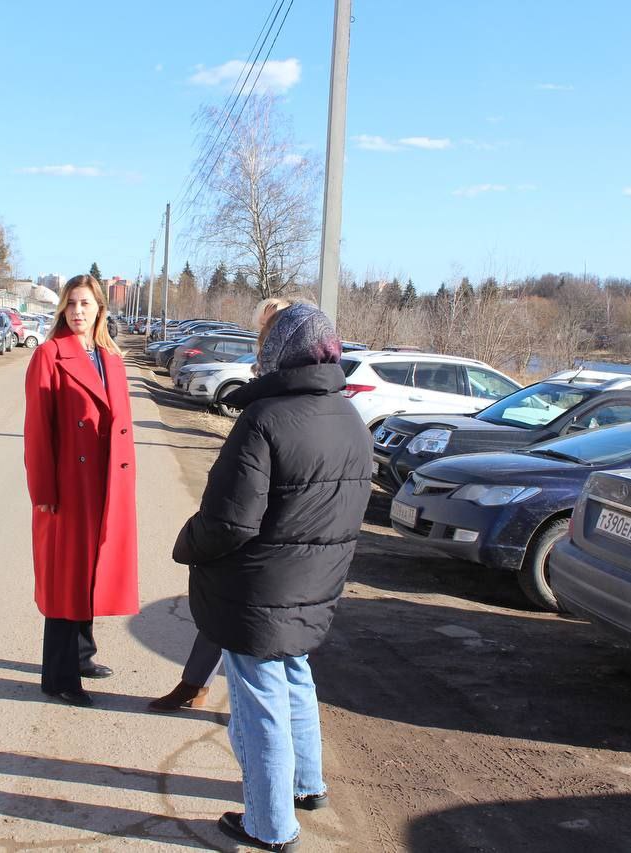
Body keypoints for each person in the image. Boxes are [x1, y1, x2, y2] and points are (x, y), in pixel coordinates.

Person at [173, 303, 372, 850]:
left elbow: (229, 521)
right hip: (316, 583)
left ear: (281, 354)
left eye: (265, 345)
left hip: (260, 590)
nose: (259, 355)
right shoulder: (350, 417)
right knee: (297, 677)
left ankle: (270, 824)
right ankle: (308, 785)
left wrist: (186, 545)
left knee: (261, 701)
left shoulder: (266, 419)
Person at [148, 296, 294, 714]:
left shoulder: (286, 394)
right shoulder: (268, 383)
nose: (263, 337)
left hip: (273, 535)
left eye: (270, 327)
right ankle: (195, 684)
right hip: (255, 517)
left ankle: (252, 719)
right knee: (220, 608)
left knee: (267, 647)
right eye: (262, 328)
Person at [24, 274, 139, 708]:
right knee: (65, 579)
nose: (77, 311)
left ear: (100, 309)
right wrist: (44, 490)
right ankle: (58, 676)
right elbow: (37, 431)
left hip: (107, 482)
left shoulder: (111, 358)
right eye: (71, 303)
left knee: (93, 571)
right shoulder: (49, 355)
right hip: (69, 487)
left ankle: (82, 656)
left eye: (85, 303)